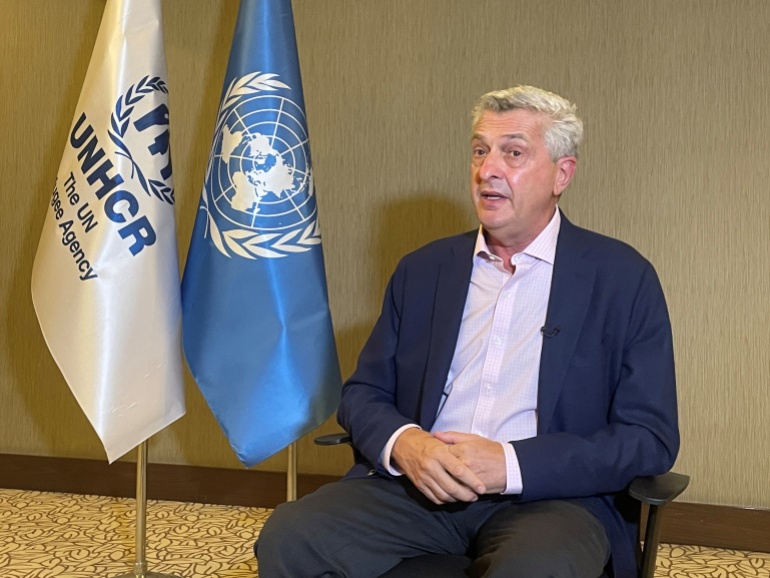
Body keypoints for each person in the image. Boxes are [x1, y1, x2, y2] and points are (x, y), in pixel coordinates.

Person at [256, 85, 679, 578]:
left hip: (553, 501)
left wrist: (510, 464)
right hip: (418, 490)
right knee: (292, 535)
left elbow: (649, 438)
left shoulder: (622, 278)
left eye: (513, 153)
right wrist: (407, 444)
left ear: (562, 174)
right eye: (480, 151)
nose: (487, 170)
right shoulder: (423, 270)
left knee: (533, 569)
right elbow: (362, 393)